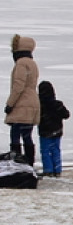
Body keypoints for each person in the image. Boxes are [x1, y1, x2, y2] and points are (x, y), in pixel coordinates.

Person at [5, 34, 40, 168]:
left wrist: (10, 104)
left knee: (15, 136)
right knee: (27, 136)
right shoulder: (32, 63)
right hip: (33, 102)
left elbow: (18, 86)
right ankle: (30, 164)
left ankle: (16, 163)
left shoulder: (21, 64)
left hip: (22, 104)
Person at [37, 80, 70, 177]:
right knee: (56, 150)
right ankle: (57, 170)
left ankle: (48, 170)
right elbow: (66, 115)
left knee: (45, 151)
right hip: (57, 130)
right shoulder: (57, 104)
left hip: (45, 131)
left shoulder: (40, 105)